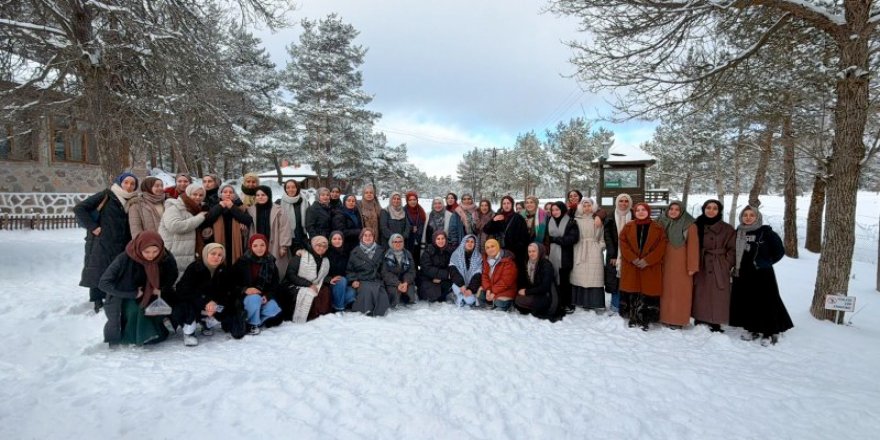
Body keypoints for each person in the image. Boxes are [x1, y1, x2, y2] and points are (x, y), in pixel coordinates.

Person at [99, 231, 178, 346]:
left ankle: (158, 333)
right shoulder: (124, 259)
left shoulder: (165, 257)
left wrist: (162, 289)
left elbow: (172, 275)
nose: (151, 255)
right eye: (146, 252)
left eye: (155, 251)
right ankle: (134, 337)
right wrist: (133, 294)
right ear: (139, 248)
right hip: (126, 295)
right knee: (137, 310)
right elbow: (104, 283)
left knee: (156, 309)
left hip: (155, 294)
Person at [75, 172, 139, 313]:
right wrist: (93, 227)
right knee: (98, 269)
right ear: (120, 183)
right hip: (102, 241)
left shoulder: (134, 200)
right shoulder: (107, 195)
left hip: (121, 242)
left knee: (115, 270)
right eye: (126, 182)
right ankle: (97, 301)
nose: (129, 186)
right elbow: (79, 208)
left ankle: (112, 296)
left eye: (132, 184)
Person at [730, 206, 793, 344]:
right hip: (743, 272)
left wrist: (766, 262)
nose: (748, 217)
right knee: (749, 301)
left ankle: (768, 332)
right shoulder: (738, 232)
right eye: (745, 215)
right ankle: (752, 328)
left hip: (762, 273)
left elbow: (779, 251)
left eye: (751, 215)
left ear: (757, 217)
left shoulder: (766, 232)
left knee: (766, 302)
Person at [171, 243, 236, 346]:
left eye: (220, 255)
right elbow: (183, 290)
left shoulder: (223, 270)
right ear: (206, 254)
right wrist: (205, 301)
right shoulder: (195, 268)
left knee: (228, 306)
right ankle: (189, 333)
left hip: (213, 305)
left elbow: (226, 291)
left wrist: (215, 303)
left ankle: (207, 322)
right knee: (185, 308)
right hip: (195, 303)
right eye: (213, 253)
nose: (216, 257)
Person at [618, 202, 667, 330]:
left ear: (648, 212)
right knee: (632, 291)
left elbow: (661, 246)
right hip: (632, 265)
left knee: (647, 292)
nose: (640, 212)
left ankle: (645, 318)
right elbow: (623, 243)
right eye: (638, 210)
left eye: (643, 210)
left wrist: (648, 260)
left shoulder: (658, 227)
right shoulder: (628, 227)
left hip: (650, 266)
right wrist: (633, 258)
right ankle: (633, 316)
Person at [691, 199, 736, 332]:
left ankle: (716, 320)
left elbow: (733, 249)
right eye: (708, 208)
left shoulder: (727, 228)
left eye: (714, 208)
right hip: (701, 263)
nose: (711, 211)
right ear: (704, 209)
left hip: (719, 264)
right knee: (701, 291)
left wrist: (726, 263)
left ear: (719, 210)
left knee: (718, 293)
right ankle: (700, 317)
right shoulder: (696, 225)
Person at [658, 201, 700, 328]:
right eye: (671, 208)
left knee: (681, 292)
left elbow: (693, 246)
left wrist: (692, 266)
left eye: (677, 209)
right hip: (664, 261)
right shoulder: (661, 222)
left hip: (681, 263)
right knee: (666, 292)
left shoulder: (689, 225)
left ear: (681, 211)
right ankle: (665, 317)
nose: (673, 211)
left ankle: (678, 320)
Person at [233, 234, 283, 335]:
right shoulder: (242, 262)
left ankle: (249, 320)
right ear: (250, 246)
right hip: (245, 298)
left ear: (266, 246)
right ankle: (252, 324)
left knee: (274, 308)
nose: (259, 248)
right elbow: (232, 283)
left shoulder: (271, 263)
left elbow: (275, 285)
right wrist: (245, 290)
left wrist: (267, 296)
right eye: (255, 246)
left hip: (262, 297)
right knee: (254, 298)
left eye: (262, 245)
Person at [282, 235, 334, 323]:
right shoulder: (301, 256)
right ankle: (307, 316)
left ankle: (320, 315)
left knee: (325, 290)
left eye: (324, 246)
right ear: (313, 245)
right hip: (293, 285)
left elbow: (319, 277)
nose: (321, 248)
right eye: (318, 245)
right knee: (309, 292)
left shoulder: (325, 260)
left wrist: (329, 280)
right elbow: (290, 275)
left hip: (312, 284)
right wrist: (308, 284)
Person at [159, 183, 208, 276]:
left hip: (187, 252)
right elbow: (174, 226)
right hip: (174, 251)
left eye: (201, 195)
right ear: (188, 194)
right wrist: (199, 218)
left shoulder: (196, 209)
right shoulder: (174, 208)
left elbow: (193, 228)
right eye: (194, 194)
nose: (198, 197)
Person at [570, 198, 606, 311]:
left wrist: (599, 247)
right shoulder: (576, 219)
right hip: (579, 249)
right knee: (579, 275)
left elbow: (603, 237)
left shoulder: (597, 219)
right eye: (584, 205)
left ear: (593, 206)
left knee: (594, 275)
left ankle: (594, 302)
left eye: (589, 205)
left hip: (594, 249)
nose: (587, 208)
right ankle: (579, 301)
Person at [204, 184, 252, 266]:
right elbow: (207, 220)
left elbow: (248, 220)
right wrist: (220, 207)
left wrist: (232, 207)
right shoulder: (214, 206)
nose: (228, 194)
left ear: (234, 195)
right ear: (220, 194)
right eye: (225, 192)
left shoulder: (240, 207)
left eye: (231, 192)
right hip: (218, 241)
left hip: (235, 242)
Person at [545, 201, 579, 314]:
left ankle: (567, 303)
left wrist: (556, 239)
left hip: (565, 256)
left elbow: (573, 238)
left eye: (557, 210)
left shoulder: (570, 221)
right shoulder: (550, 221)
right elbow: (547, 238)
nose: (554, 212)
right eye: (553, 210)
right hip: (552, 256)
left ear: (562, 210)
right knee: (555, 280)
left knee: (565, 281)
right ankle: (557, 303)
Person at [248, 185, 291, 274]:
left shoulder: (279, 210)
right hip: (258, 245)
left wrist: (283, 246)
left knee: (275, 267)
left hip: (274, 243)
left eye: (263, 195)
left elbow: (285, 228)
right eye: (258, 195)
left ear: (269, 195)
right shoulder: (250, 210)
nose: (260, 197)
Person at [482, 195, 530, 275]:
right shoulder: (498, 216)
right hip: (499, 252)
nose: (506, 205)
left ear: (512, 204)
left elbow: (524, 238)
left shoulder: (518, 218)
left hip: (514, 253)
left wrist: (516, 249)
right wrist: (493, 220)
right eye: (504, 203)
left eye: (508, 203)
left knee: (513, 274)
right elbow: (486, 230)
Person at [347, 228, 389, 316]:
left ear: (374, 237)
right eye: (365, 235)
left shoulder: (381, 251)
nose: (368, 237)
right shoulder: (355, 252)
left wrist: (383, 279)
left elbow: (384, 269)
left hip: (376, 280)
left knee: (382, 297)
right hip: (362, 280)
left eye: (370, 235)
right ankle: (366, 311)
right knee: (367, 291)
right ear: (361, 237)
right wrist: (353, 280)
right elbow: (350, 270)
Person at [604, 193, 633, 315]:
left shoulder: (634, 216)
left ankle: (627, 306)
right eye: (621, 201)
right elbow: (608, 237)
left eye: (626, 201)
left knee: (628, 280)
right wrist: (613, 255)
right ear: (617, 202)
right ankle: (615, 305)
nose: (623, 203)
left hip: (630, 254)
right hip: (615, 254)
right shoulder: (610, 216)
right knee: (615, 280)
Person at [514, 243, 556, 319]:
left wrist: (527, 292)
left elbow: (545, 287)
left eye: (534, 251)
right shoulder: (529, 263)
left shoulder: (546, 265)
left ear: (540, 251)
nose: (531, 254)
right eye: (529, 252)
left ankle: (537, 308)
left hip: (546, 295)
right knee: (517, 299)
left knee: (520, 301)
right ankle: (532, 307)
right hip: (535, 292)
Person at [478, 238, 518, 311]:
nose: (490, 249)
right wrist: (488, 290)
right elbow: (485, 276)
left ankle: (508, 304)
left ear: (498, 247)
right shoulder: (486, 260)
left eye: (492, 246)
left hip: (506, 289)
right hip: (492, 288)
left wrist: (493, 292)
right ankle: (493, 302)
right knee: (480, 296)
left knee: (499, 303)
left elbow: (506, 281)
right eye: (488, 248)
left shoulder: (508, 261)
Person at [381, 233, 418, 307]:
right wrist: (398, 283)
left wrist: (406, 282)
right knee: (394, 297)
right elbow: (385, 273)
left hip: (405, 281)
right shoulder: (386, 255)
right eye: (395, 242)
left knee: (410, 294)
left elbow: (412, 271)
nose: (398, 244)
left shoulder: (408, 254)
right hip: (392, 282)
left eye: (400, 241)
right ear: (391, 243)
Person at [419, 230, 453, 303]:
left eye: (442, 238)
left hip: (443, 280)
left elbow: (451, 267)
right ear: (434, 240)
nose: (441, 241)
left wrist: (442, 277)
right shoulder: (428, 251)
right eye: (438, 239)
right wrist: (445, 274)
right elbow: (427, 269)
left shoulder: (449, 251)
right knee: (432, 295)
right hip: (429, 278)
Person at [449, 234, 482, 308]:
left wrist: (470, 289)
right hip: (459, 284)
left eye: (472, 242)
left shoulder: (478, 257)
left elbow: (477, 275)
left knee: (470, 301)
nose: (470, 244)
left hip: (471, 286)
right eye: (467, 241)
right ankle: (457, 297)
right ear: (464, 242)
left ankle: (463, 298)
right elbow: (453, 272)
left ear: (475, 244)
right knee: (456, 288)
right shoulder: (456, 254)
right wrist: (461, 285)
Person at [327, 231, 356, 312]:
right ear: (330, 240)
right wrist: (329, 279)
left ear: (343, 240)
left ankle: (335, 304)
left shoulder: (347, 253)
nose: (337, 241)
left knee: (352, 292)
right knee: (341, 280)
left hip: (344, 284)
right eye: (334, 239)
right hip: (331, 283)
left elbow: (350, 269)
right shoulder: (326, 253)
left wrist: (352, 281)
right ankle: (339, 308)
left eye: (339, 239)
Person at [279, 179, 310, 253]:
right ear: (285, 189)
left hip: (303, 237)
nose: (291, 189)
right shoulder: (279, 203)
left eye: (293, 187)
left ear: (297, 188)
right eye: (288, 187)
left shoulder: (305, 201)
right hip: (288, 239)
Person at [404, 191, 427, 268]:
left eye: (414, 199)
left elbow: (424, 223)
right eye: (410, 200)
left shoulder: (421, 210)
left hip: (419, 239)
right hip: (407, 240)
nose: (412, 201)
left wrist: (418, 230)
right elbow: (402, 224)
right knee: (408, 260)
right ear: (407, 201)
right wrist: (411, 228)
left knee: (417, 260)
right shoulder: (403, 211)